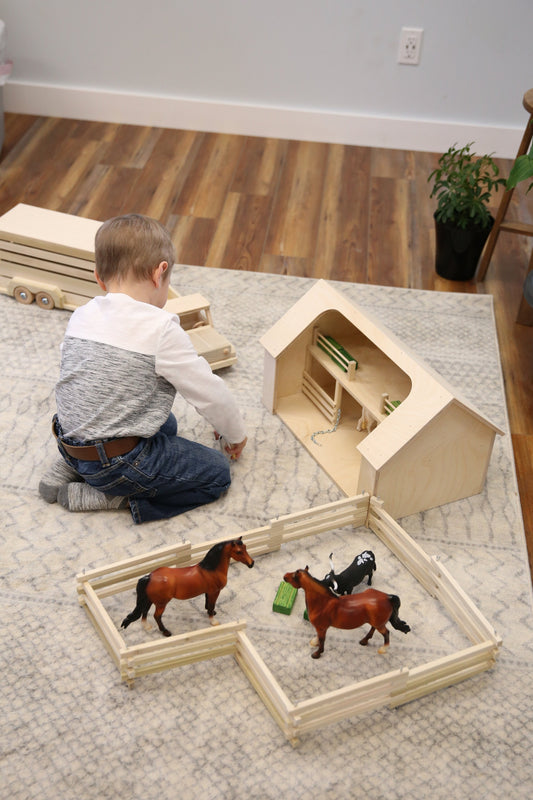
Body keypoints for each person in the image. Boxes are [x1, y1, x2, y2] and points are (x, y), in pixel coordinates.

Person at [39, 213, 247, 523]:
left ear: (99, 277)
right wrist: (235, 435)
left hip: (69, 438)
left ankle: (72, 464)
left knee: (167, 425)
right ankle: (111, 495)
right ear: (159, 273)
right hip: (116, 464)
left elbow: (81, 378)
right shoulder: (161, 329)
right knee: (217, 474)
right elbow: (210, 393)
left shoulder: (82, 315)